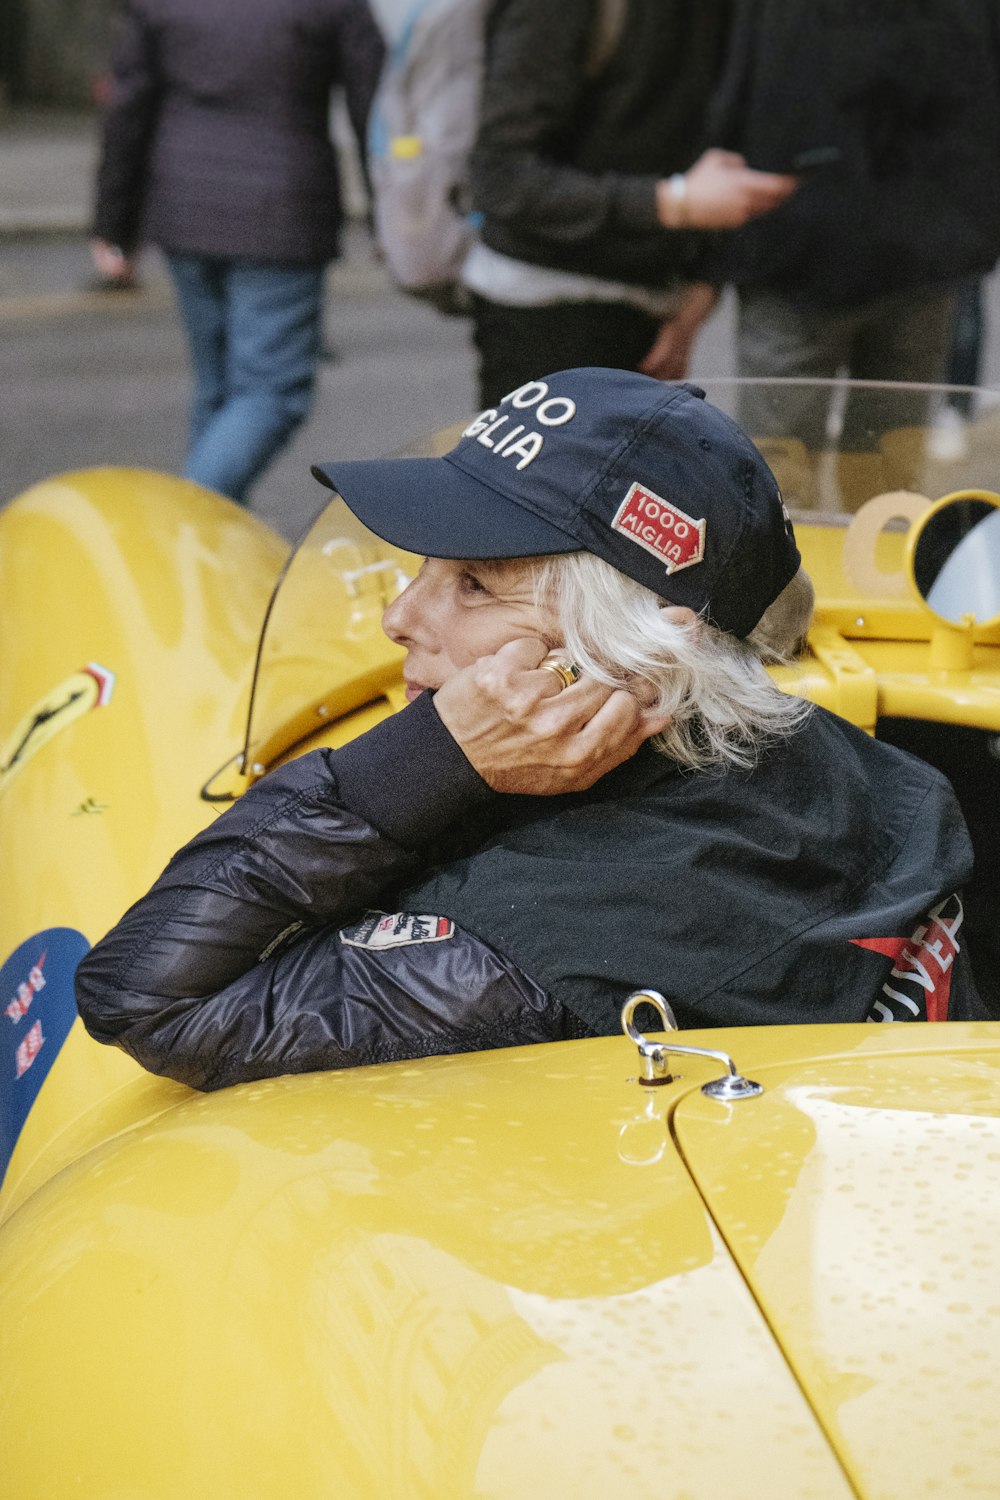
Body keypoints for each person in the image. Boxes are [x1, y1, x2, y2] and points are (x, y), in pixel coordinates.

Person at [74, 369, 987, 1092]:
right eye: (425, 568)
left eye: (474, 585)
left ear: (630, 656)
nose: (401, 616)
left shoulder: (545, 944)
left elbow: (143, 995)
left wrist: (420, 763)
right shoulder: (855, 763)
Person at [700, 0, 1000, 506]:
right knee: (799, 480)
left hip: (883, 245)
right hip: (810, 246)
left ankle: (814, 573)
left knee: (856, 479)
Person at [91, 0, 385, 505]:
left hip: (183, 207)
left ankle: (204, 556)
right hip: (283, 210)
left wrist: (114, 223)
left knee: (220, 388)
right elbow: (372, 106)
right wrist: (389, 214)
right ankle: (184, 521)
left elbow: (129, 106)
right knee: (271, 393)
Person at [462, 0, 796, 405]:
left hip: (657, 302)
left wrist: (700, 287)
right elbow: (501, 175)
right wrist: (675, 202)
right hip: (546, 306)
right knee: (550, 469)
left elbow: (716, 139)